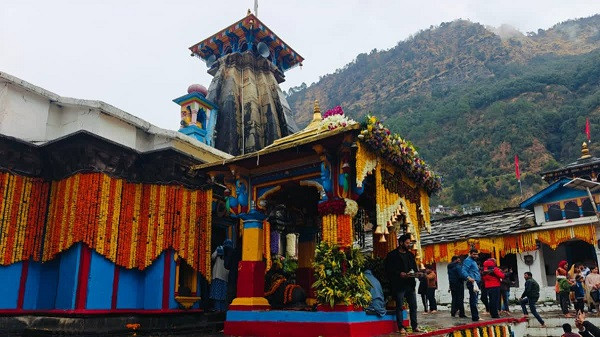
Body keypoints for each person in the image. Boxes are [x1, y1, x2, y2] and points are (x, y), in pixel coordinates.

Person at [385, 234, 422, 335]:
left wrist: (417, 273)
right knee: (400, 306)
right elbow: (388, 270)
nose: (408, 245)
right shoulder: (392, 255)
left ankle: (415, 326)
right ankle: (401, 327)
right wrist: (399, 274)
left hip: (410, 284)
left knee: (413, 306)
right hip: (399, 285)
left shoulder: (410, 255)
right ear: (401, 243)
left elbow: (414, 267)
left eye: (409, 243)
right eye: (407, 243)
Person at [209, 239, 232, 312]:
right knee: (223, 294)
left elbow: (213, 257)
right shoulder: (232, 251)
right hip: (225, 275)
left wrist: (217, 251)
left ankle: (217, 308)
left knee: (217, 293)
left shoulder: (220, 248)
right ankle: (222, 309)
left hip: (218, 274)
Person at [461, 249, 482, 321]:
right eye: (474, 254)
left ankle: (476, 316)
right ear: (470, 254)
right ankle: (475, 317)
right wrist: (469, 277)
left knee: (475, 299)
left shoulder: (473, 261)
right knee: (473, 299)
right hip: (472, 282)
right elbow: (463, 271)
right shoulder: (468, 260)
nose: (476, 256)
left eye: (476, 254)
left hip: (476, 282)